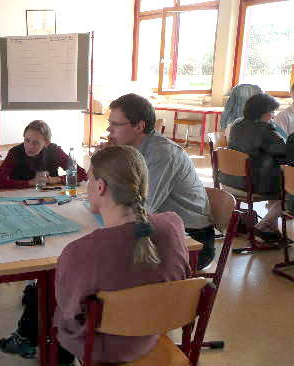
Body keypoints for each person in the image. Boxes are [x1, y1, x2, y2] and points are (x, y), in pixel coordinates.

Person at [54, 145, 191, 364]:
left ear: (100, 187)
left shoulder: (80, 252)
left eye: (89, 180)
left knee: (43, 300)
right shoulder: (173, 224)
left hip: (102, 349)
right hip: (153, 333)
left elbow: (69, 311)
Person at [106, 93, 215, 269]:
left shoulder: (162, 154)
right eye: (109, 123)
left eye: (115, 124)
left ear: (139, 126)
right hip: (161, 230)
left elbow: (144, 208)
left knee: (107, 262)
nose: (108, 130)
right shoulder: (131, 150)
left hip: (192, 241)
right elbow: (113, 191)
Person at [224, 93, 287, 241]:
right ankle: (261, 227)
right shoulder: (265, 131)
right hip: (251, 183)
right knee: (288, 194)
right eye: (271, 112)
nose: (273, 116)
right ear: (262, 113)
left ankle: (272, 230)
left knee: (277, 180)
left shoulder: (237, 126)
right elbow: (283, 150)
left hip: (231, 180)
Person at [0, 120, 87, 189]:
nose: (29, 146)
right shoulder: (15, 153)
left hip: (50, 199)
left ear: (46, 143)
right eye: (27, 141)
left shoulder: (55, 151)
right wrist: (30, 182)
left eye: (36, 143)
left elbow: (81, 174)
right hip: (19, 200)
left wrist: (56, 179)